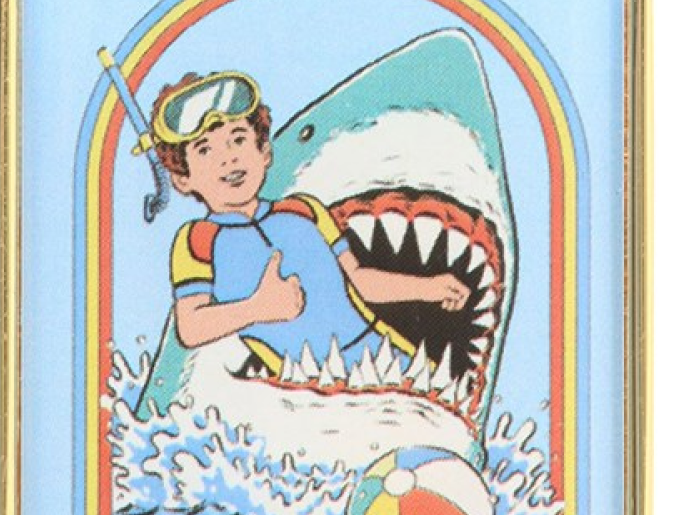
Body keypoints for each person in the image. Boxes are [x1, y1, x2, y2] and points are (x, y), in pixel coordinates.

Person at [149, 70, 469, 374]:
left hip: (385, 362)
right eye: (205, 150)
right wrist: (258, 308)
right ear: (182, 179)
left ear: (264, 153)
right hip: (305, 388)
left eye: (239, 139)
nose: (228, 157)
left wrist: (430, 287)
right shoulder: (198, 240)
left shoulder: (305, 210)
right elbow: (190, 328)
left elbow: (359, 280)